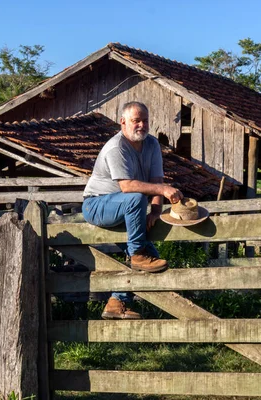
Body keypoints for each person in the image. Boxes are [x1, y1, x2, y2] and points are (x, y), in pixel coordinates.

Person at [82, 101, 183, 320]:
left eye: (145, 120)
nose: (141, 125)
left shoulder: (152, 145)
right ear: (123, 122)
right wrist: (163, 190)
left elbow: (157, 180)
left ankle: (116, 303)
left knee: (153, 259)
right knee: (135, 199)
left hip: (128, 208)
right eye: (136, 120)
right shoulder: (116, 147)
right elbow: (127, 187)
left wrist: (156, 212)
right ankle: (136, 254)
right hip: (97, 205)